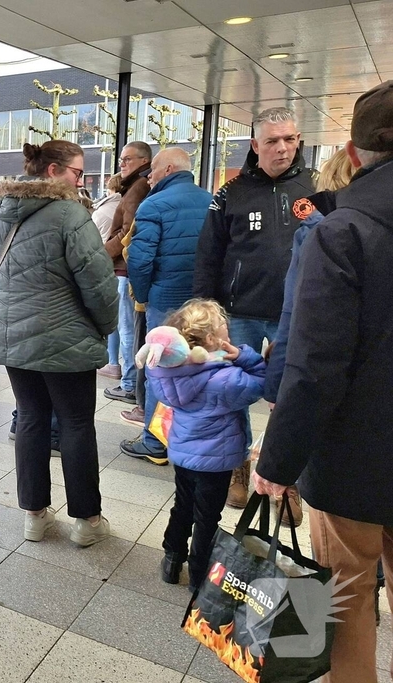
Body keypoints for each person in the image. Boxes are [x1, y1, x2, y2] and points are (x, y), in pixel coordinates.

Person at [252, 81, 393, 683]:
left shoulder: (345, 232)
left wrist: (277, 462)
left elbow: (315, 368)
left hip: (354, 458)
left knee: (348, 598)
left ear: (355, 155)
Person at [0, 140, 119, 547]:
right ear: (55, 170)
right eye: (78, 172)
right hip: (67, 338)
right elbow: (98, 284)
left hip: (13, 337)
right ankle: (86, 521)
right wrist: (106, 326)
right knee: (76, 425)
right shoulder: (72, 216)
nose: (82, 180)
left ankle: (35, 517)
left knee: (31, 419)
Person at [192, 107, 315, 512]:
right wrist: (203, 310)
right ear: (255, 146)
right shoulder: (231, 192)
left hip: (294, 316)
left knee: (289, 399)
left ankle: (285, 477)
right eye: (273, 141)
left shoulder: (317, 189)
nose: (283, 148)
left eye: (290, 139)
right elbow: (209, 254)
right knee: (232, 394)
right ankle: (238, 465)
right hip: (238, 312)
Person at [261, 148, 353, 527]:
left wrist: (275, 387)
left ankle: (290, 490)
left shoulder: (320, 230)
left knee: (346, 571)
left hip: (343, 413)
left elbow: (298, 322)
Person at [146, 300, 266, 589]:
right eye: (224, 324)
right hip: (215, 461)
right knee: (207, 517)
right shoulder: (227, 379)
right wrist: (243, 355)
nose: (229, 327)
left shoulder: (166, 372)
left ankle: (172, 560)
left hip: (183, 454)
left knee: (182, 506)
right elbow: (263, 382)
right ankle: (199, 576)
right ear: (212, 338)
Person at [119, 148, 213, 465]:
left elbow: (141, 261)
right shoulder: (210, 201)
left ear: (168, 169)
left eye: (154, 171)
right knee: (198, 368)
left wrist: (143, 297)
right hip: (202, 303)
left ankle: (156, 443)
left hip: (165, 301)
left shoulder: (154, 205)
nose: (150, 177)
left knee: (161, 372)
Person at [103, 142, 154, 406]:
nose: (122, 164)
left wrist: (103, 253)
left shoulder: (138, 188)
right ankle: (130, 381)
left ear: (144, 161)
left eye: (127, 159)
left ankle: (128, 383)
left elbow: (128, 233)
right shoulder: (136, 186)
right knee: (128, 328)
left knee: (127, 329)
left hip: (124, 269)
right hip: (126, 269)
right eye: (121, 159)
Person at [91, 173, 123, 379]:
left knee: (115, 320)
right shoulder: (129, 205)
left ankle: (113, 362)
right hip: (122, 268)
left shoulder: (102, 211)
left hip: (109, 268)